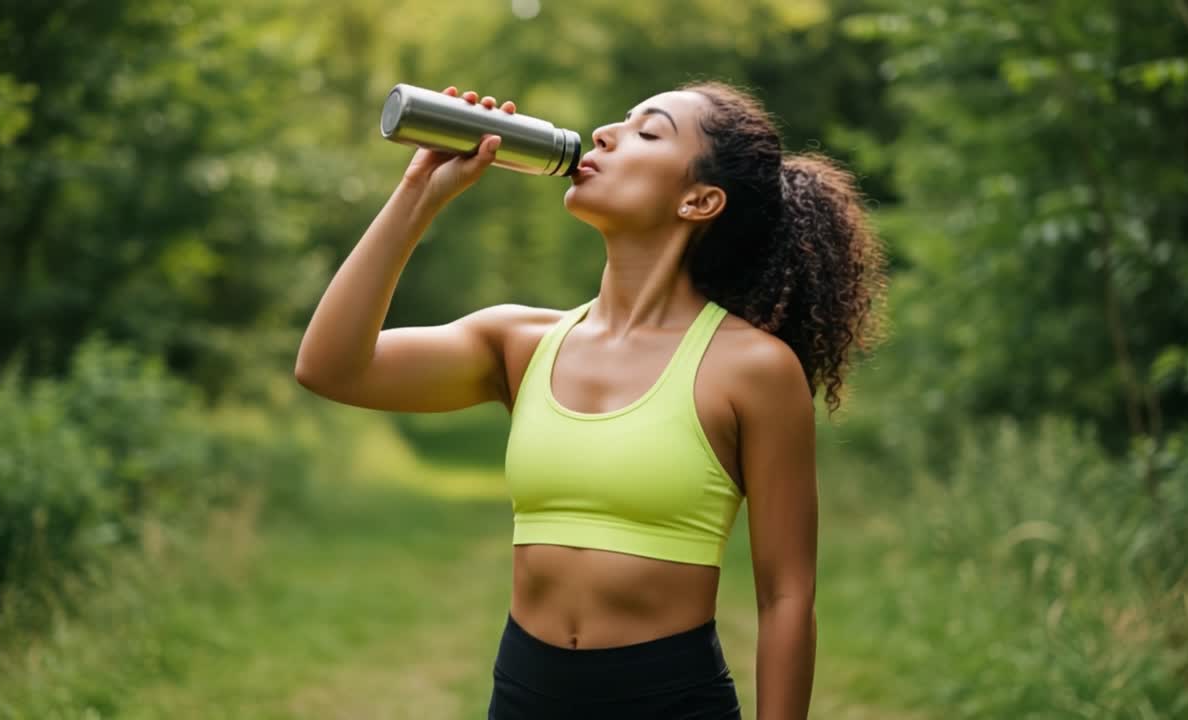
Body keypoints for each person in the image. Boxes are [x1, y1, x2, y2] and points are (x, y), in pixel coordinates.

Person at [295, 82, 886, 719]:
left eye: (648, 131)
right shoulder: (518, 342)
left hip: (668, 701)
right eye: (620, 120)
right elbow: (330, 368)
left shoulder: (753, 370)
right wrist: (418, 195)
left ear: (700, 200)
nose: (605, 133)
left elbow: (787, 595)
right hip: (523, 694)